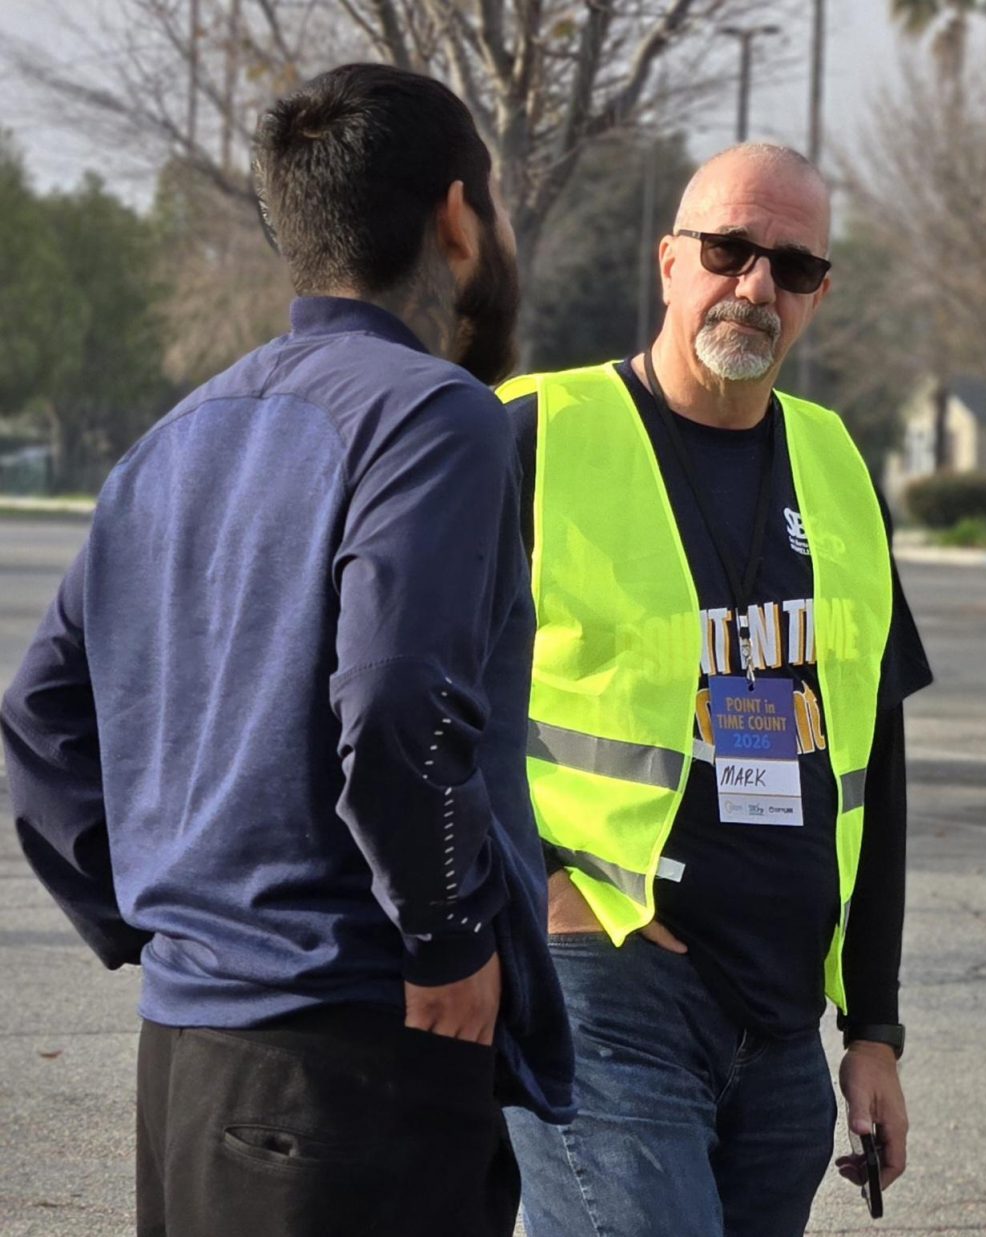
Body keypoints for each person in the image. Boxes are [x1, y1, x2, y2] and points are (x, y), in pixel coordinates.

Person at [2, 63, 570, 1236]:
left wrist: (176, 914)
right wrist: (447, 932)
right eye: (498, 206)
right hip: (362, 1060)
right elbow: (397, 695)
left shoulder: (175, 435)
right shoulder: (437, 413)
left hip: (192, 1058)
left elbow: (40, 717)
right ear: (458, 220)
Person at [497, 142, 931, 1237]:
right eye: (729, 250)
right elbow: (416, 697)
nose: (754, 285)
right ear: (668, 262)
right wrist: (534, 884)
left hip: (779, 1020)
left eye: (790, 267)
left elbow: (872, 764)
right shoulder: (533, 435)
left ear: (819, 294)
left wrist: (871, 1028)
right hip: (605, 980)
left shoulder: (835, 464)